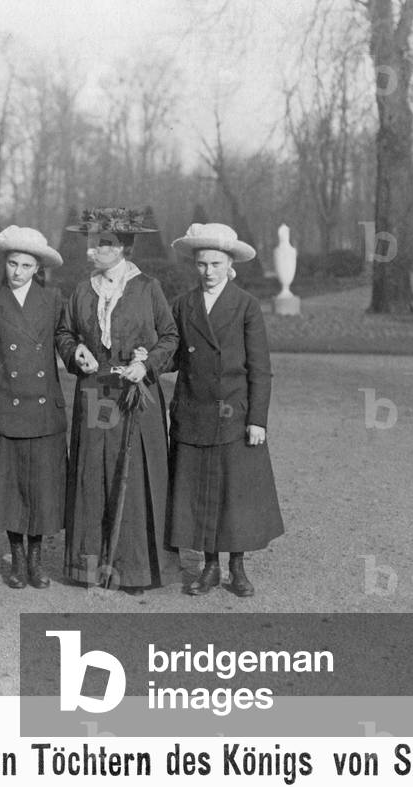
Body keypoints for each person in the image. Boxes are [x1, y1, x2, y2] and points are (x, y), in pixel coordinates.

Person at [55, 208, 179, 595]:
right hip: (94, 393)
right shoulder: (82, 289)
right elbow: (64, 332)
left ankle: (135, 569)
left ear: (124, 247)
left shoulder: (147, 288)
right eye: (93, 241)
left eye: (105, 242)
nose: (96, 249)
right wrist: (75, 352)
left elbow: (170, 337)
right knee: (95, 473)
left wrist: (148, 365)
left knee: (136, 475)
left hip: (136, 395)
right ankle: (91, 567)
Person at [167, 222, 285, 597]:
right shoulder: (184, 304)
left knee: (235, 496)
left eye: (216, 264)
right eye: (202, 264)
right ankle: (210, 566)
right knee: (200, 493)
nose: (208, 272)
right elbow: (171, 356)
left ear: (230, 264)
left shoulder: (246, 305)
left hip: (234, 415)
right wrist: (144, 357)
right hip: (194, 412)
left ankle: (238, 567)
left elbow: (260, 368)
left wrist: (257, 420)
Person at [0, 225, 67, 589]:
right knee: (11, 490)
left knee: (41, 489)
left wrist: (78, 353)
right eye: (13, 263)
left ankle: (36, 562)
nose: (17, 272)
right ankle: (16, 560)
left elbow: (65, 338)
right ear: (5, 263)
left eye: (26, 266)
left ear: (37, 269)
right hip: (6, 408)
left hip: (43, 411)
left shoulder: (53, 300)